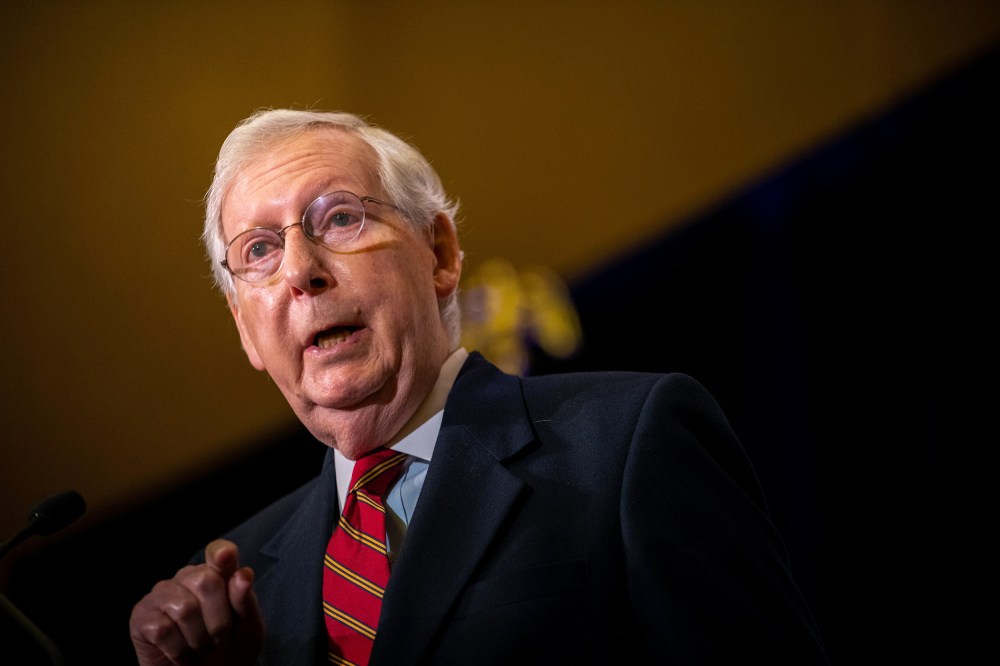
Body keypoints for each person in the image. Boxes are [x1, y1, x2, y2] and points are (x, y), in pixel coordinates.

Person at [128, 108, 830, 665]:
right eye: (260, 251)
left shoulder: (628, 442)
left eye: (339, 218)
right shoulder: (229, 587)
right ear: (246, 330)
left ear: (439, 254)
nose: (300, 272)